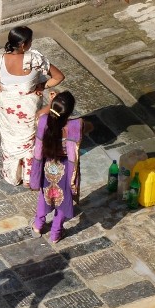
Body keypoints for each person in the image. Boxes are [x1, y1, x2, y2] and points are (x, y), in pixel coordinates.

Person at [0, 26, 65, 186]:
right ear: (23, 45)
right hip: (29, 109)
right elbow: (58, 77)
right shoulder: (35, 60)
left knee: (10, 139)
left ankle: (13, 176)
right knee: (30, 141)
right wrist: (42, 86)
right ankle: (30, 177)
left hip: (8, 109)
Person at [30, 91, 91, 243]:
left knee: (45, 195)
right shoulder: (76, 126)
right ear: (69, 112)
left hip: (47, 165)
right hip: (66, 169)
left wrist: (52, 104)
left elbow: (39, 114)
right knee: (64, 199)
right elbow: (91, 127)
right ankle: (56, 233)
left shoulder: (43, 121)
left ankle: (38, 225)